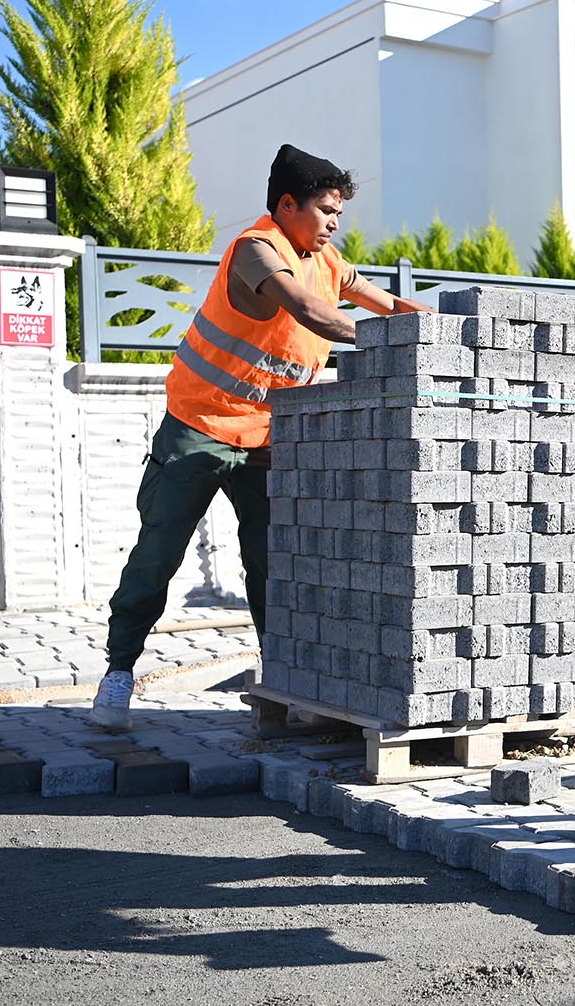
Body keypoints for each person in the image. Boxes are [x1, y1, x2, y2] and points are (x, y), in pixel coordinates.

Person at [89, 144, 429, 729]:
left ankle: (284, 679)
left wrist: (446, 329)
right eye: (326, 210)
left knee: (276, 561)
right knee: (158, 555)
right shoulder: (256, 249)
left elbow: (388, 304)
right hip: (200, 427)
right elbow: (308, 312)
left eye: (339, 213)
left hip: (268, 438)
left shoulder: (327, 260)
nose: (334, 223)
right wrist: (384, 340)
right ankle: (119, 673)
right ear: (288, 205)